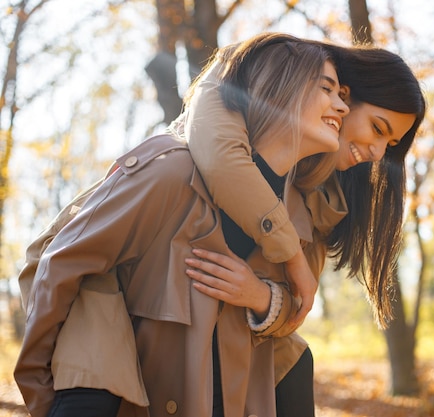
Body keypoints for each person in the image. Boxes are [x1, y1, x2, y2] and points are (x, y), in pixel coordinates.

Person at [14, 32, 349, 417]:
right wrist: (45, 400)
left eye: (342, 95)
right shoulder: (171, 172)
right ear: (278, 87)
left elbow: (290, 316)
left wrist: (261, 297)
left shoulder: (296, 220)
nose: (341, 106)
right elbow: (58, 264)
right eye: (328, 89)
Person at [183, 40, 426, 417]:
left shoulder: (328, 199)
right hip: (165, 306)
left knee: (295, 359)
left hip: (236, 340)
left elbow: (296, 304)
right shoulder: (242, 72)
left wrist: (260, 297)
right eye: (378, 129)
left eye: (389, 144)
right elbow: (220, 158)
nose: (379, 153)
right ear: (346, 95)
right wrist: (292, 255)